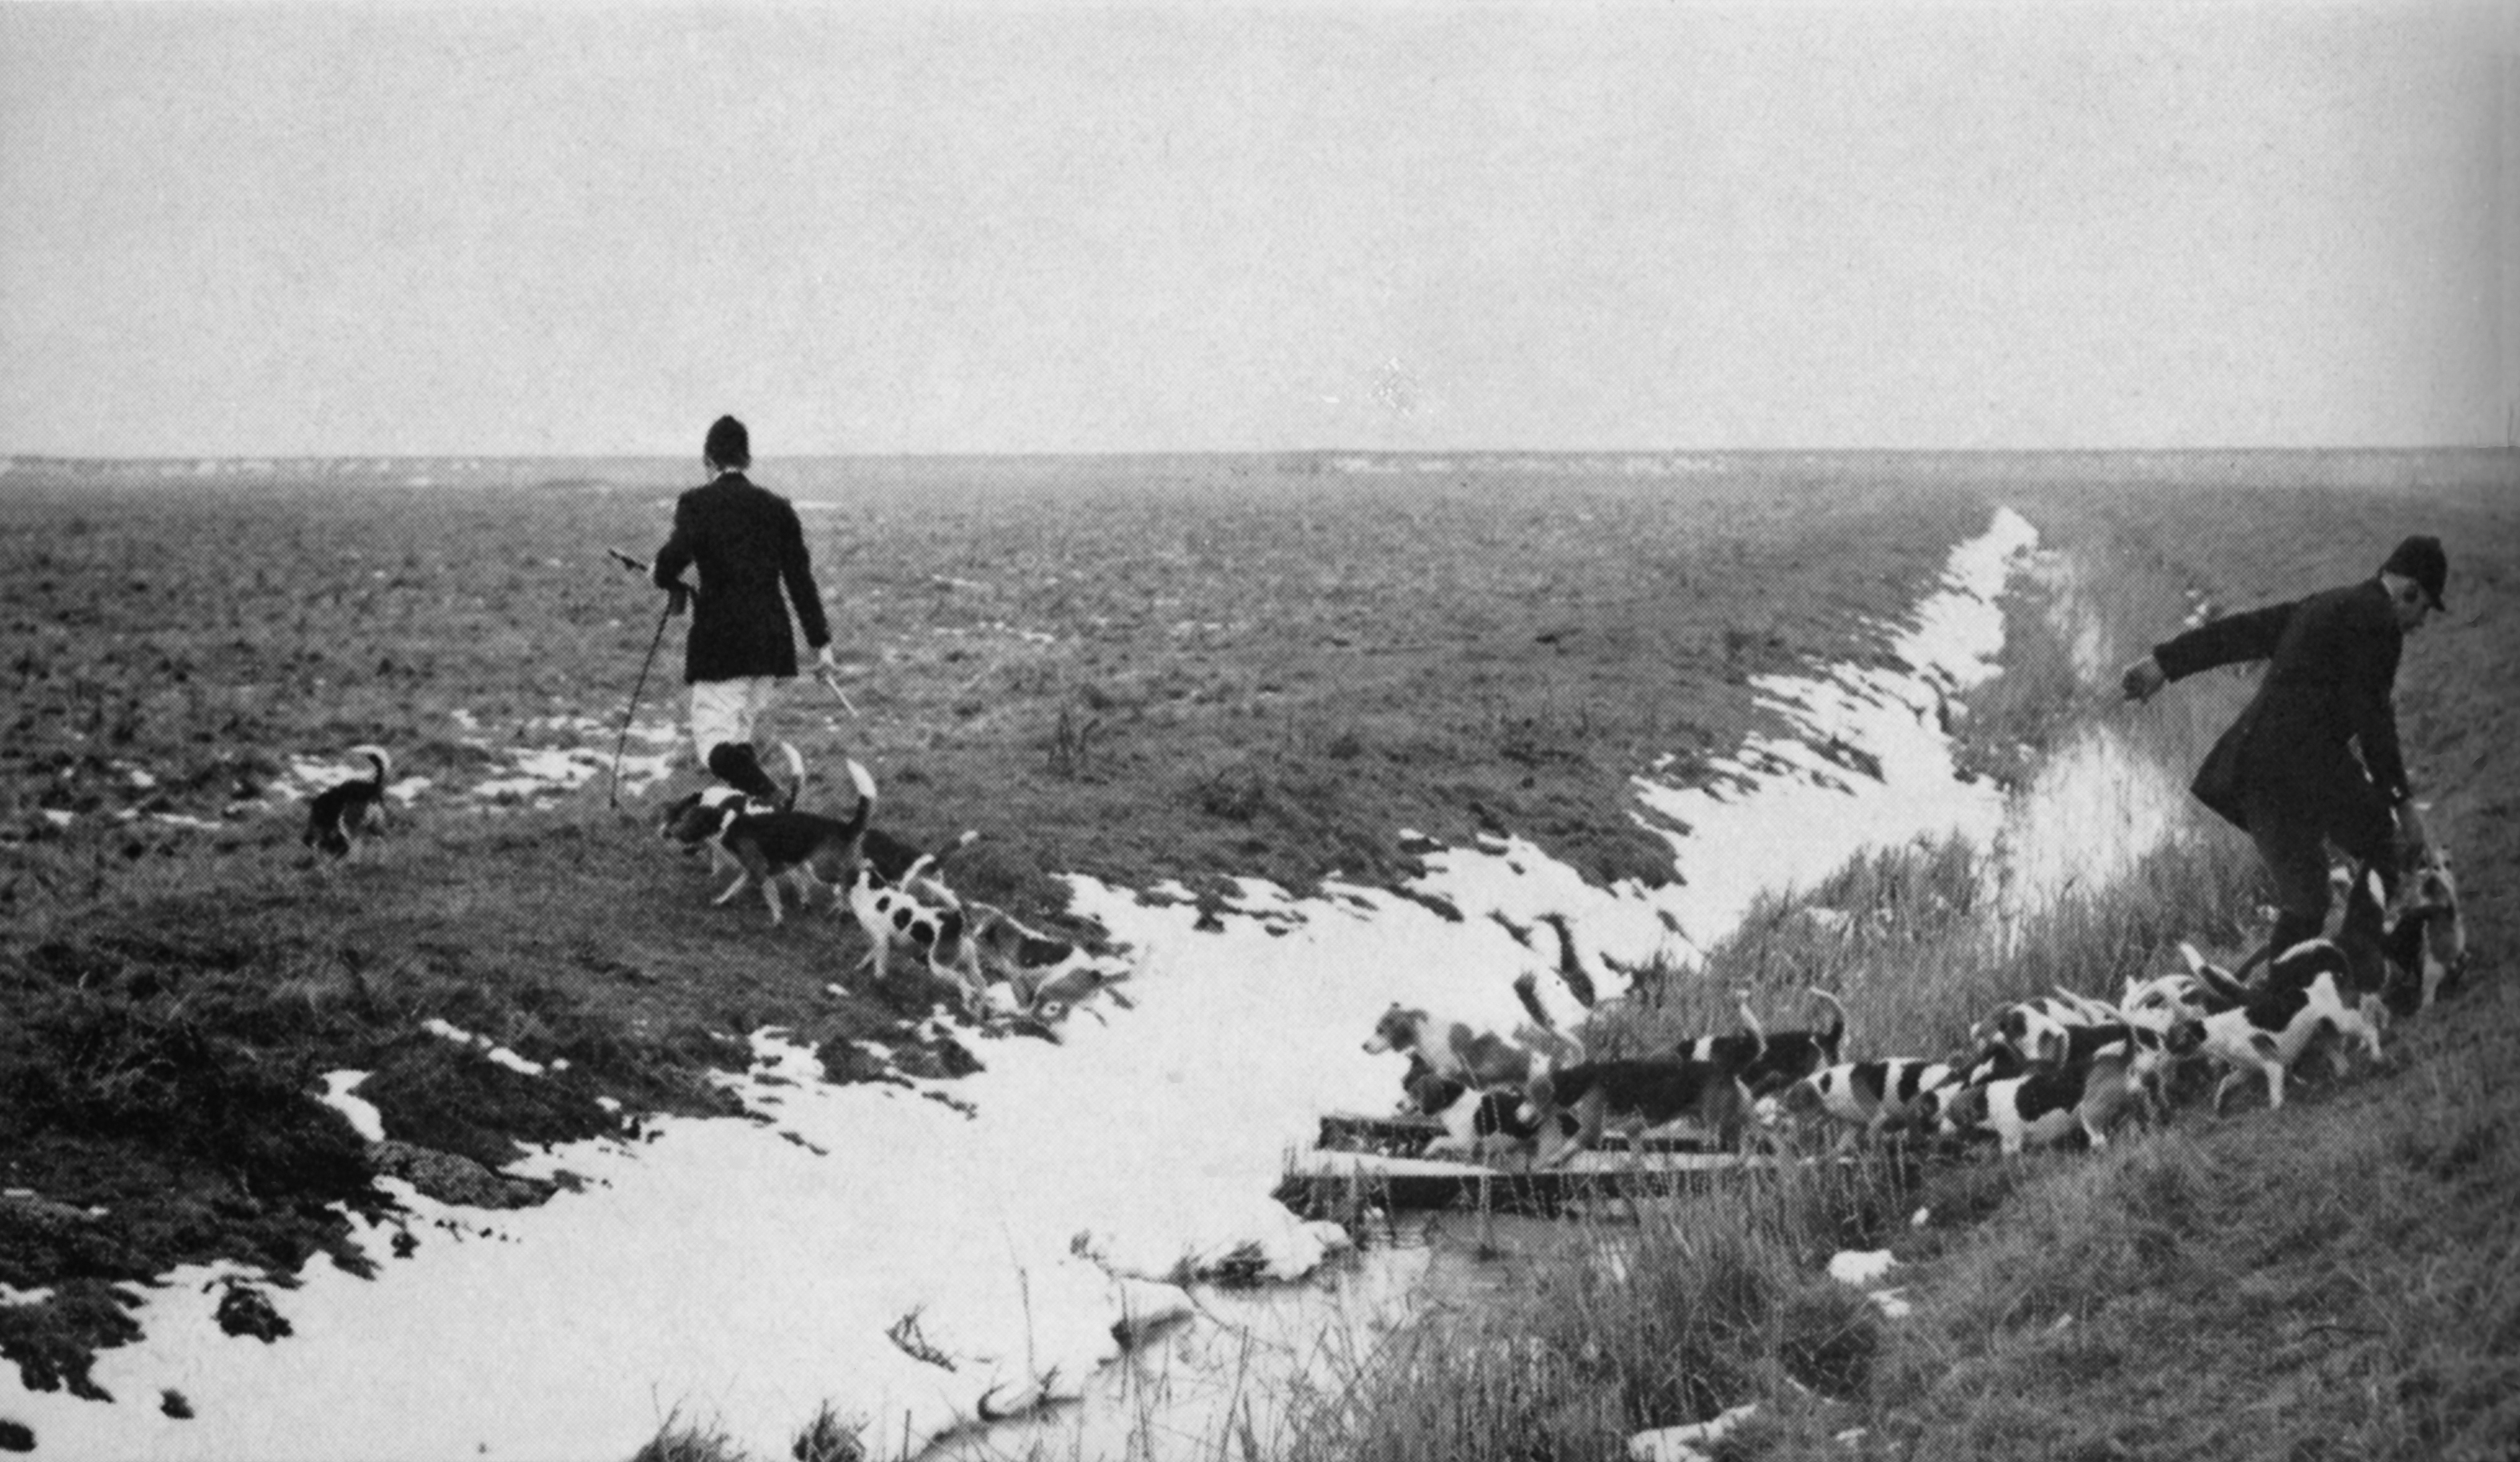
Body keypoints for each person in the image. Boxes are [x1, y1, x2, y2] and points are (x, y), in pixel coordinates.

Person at [2119, 534, 2447, 964]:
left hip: (2255, 768)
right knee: (2380, 846)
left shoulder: (2325, 604)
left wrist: (2164, 663)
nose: (2420, 623)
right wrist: (2402, 804)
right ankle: (2352, 972)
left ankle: (2294, 996)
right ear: (2410, 589)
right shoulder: (2379, 622)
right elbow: (2375, 723)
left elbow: (2241, 632)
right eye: (2423, 608)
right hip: (2295, 772)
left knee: (2309, 897)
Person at [652, 415, 837, 801]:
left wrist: (660, 573)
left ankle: (773, 803)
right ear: (746, 460)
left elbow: (671, 563)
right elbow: (801, 581)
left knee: (713, 744)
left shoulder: (696, 503)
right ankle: (755, 827)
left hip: (722, 644)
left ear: (709, 460)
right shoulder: (777, 508)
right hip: (771, 644)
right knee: (739, 736)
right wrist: (822, 646)